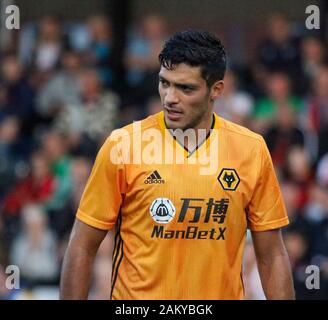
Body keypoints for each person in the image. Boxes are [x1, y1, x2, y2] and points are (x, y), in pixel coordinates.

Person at [60, 30, 295, 300]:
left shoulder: (251, 150)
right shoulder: (123, 146)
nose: (170, 97)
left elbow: (271, 255)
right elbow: (81, 246)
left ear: (216, 89)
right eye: (164, 83)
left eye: (185, 88)